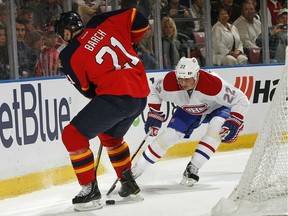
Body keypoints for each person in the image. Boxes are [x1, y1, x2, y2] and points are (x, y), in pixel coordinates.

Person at [54, 8, 150, 211]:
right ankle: (128, 183)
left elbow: (87, 91)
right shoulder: (101, 22)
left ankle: (89, 191)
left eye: (62, 35)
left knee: (73, 135)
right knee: (110, 137)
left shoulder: (69, 54)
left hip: (116, 96)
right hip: (140, 94)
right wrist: (131, 44)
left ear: (67, 32)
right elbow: (138, 17)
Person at [132, 57, 249, 186]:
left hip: (218, 107)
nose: (183, 83)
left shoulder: (213, 84)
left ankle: (193, 167)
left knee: (216, 129)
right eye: (180, 78)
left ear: (196, 75)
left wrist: (235, 120)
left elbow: (241, 99)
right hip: (189, 109)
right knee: (169, 136)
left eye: (187, 79)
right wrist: (154, 112)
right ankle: (138, 169)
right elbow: (154, 90)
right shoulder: (169, 82)